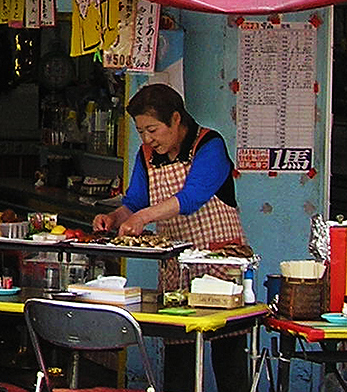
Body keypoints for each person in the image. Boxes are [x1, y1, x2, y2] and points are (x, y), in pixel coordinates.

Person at [94, 82, 248, 289]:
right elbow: (135, 203)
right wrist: (113, 219)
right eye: (141, 132)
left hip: (218, 265)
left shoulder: (209, 145)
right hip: (176, 269)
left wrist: (143, 217)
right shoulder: (147, 155)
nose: (148, 139)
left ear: (175, 119)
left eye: (152, 130)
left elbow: (190, 199)